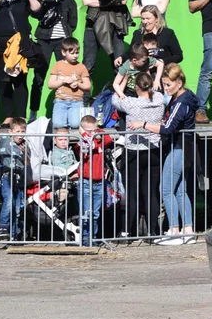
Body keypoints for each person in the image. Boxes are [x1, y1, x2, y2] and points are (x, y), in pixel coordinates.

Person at [128, 63, 196, 245]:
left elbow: (167, 128)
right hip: (183, 148)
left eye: (168, 85)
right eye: (164, 84)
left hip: (179, 149)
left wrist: (142, 124)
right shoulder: (180, 98)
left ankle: (174, 230)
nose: (165, 88)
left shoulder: (181, 102)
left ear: (179, 82)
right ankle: (188, 230)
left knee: (166, 189)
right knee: (180, 190)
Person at [112, 70, 164, 238]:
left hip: (134, 151)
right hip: (154, 150)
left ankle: (127, 231)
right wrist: (154, 77)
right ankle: (152, 231)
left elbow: (115, 97)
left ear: (137, 88)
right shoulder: (159, 100)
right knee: (151, 192)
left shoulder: (131, 103)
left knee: (132, 192)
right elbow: (155, 91)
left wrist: (124, 80)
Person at [29, 0, 79, 122]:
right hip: (44, 40)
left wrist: (66, 34)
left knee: (65, 75)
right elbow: (34, 13)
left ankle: (65, 112)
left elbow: (73, 20)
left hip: (62, 41)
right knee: (39, 77)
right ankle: (33, 113)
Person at [75, 114, 113, 247]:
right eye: (89, 131)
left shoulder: (101, 138)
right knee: (86, 213)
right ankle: (85, 239)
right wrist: (85, 134)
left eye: (94, 130)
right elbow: (87, 147)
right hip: (86, 181)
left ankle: (93, 237)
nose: (93, 133)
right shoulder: (82, 142)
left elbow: (108, 139)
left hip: (99, 182)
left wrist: (97, 132)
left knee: (95, 213)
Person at [0, 117, 30, 241]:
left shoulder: (25, 144)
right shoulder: (5, 139)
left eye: (23, 132)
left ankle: (14, 234)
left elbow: (27, 163)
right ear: (11, 132)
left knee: (17, 208)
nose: (20, 135)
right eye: (18, 131)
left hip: (19, 177)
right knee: (9, 200)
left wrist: (25, 153)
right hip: (7, 176)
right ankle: (3, 227)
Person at [47, 37, 91, 129]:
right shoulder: (58, 65)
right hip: (60, 101)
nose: (75, 56)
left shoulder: (81, 67)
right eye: (72, 53)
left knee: (75, 125)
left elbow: (87, 86)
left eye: (77, 53)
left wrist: (78, 83)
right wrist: (63, 81)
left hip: (76, 101)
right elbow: (50, 84)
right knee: (58, 125)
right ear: (63, 52)